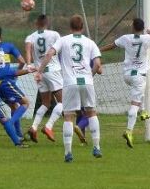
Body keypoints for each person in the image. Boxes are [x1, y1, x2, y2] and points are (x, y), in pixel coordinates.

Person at [35, 15, 102, 162]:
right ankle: (96, 147)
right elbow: (97, 64)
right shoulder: (90, 42)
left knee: (68, 116)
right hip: (87, 81)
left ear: (70, 27)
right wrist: (90, 75)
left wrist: (40, 71)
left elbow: (49, 54)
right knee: (91, 113)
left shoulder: (63, 40)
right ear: (82, 27)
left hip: (70, 82)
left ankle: (68, 153)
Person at [100, 18, 150, 148]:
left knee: (139, 91)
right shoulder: (147, 38)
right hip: (139, 76)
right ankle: (129, 131)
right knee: (134, 103)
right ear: (143, 28)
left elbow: (112, 45)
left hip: (127, 75)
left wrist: (99, 50)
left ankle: (143, 111)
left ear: (133, 27)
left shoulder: (125, 38)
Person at [24, 15, 64, 142]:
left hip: (39, 73)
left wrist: (29, 64)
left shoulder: (30, 37)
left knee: (46, 103)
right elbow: (61, 50)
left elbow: (28, 49)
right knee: (64, 102)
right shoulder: (54, 34)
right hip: (52, 71)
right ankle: (48, 126)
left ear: (36, 23)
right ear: (47, 23)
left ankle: (34, 127)